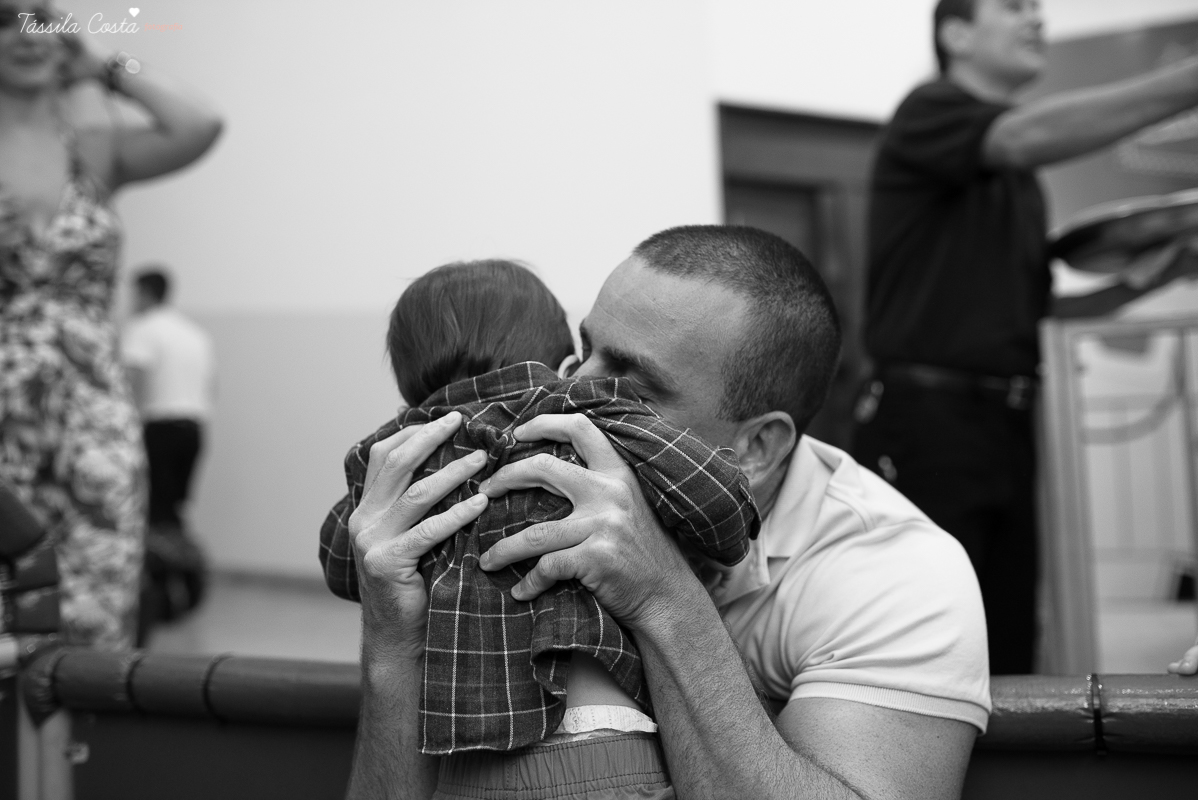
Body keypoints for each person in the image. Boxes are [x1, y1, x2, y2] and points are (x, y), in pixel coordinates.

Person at [345, 226, 990, 800]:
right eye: (582, 348)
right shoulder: (507, 501)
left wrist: (659, 593)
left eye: (631, 383)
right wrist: (393, 646)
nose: (568, 389)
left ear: (756, 448)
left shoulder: (897, 573)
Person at [850, 0, 1198, 675]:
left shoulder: (1019, 177)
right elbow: (1021, 136)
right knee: (928, 640)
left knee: (1004, 640)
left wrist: (1162, 272)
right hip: (926, 422)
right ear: (956, 33)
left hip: (1005, 423)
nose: (1037, 20)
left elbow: (1046, 310)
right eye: (1014, 7)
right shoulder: (930, 110)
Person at [321, 260, 758, 796]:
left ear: (409, 389)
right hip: (604, 749)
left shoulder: (392, 456)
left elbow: (344, 562)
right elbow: (717, 502)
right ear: (566, 364)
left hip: (463, 768)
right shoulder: (587, 411)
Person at [0, 2, 222, 649]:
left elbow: (200, 123)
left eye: (42, 19)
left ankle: (81, 719)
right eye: (7, 20)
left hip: (92, 409)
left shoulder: (91, 150)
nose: (27, 34)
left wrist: (104, 65)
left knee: (97, 596)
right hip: (5, 406)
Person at [122, 267, 216, 530]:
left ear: (144, 293)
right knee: (176, 508)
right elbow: (212, 385)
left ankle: (164, 555)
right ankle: (179, 553)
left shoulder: (142, 328)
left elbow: (133, 380)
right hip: (194, 430)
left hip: (160, 430)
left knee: (155, 510)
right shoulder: (195, 333)